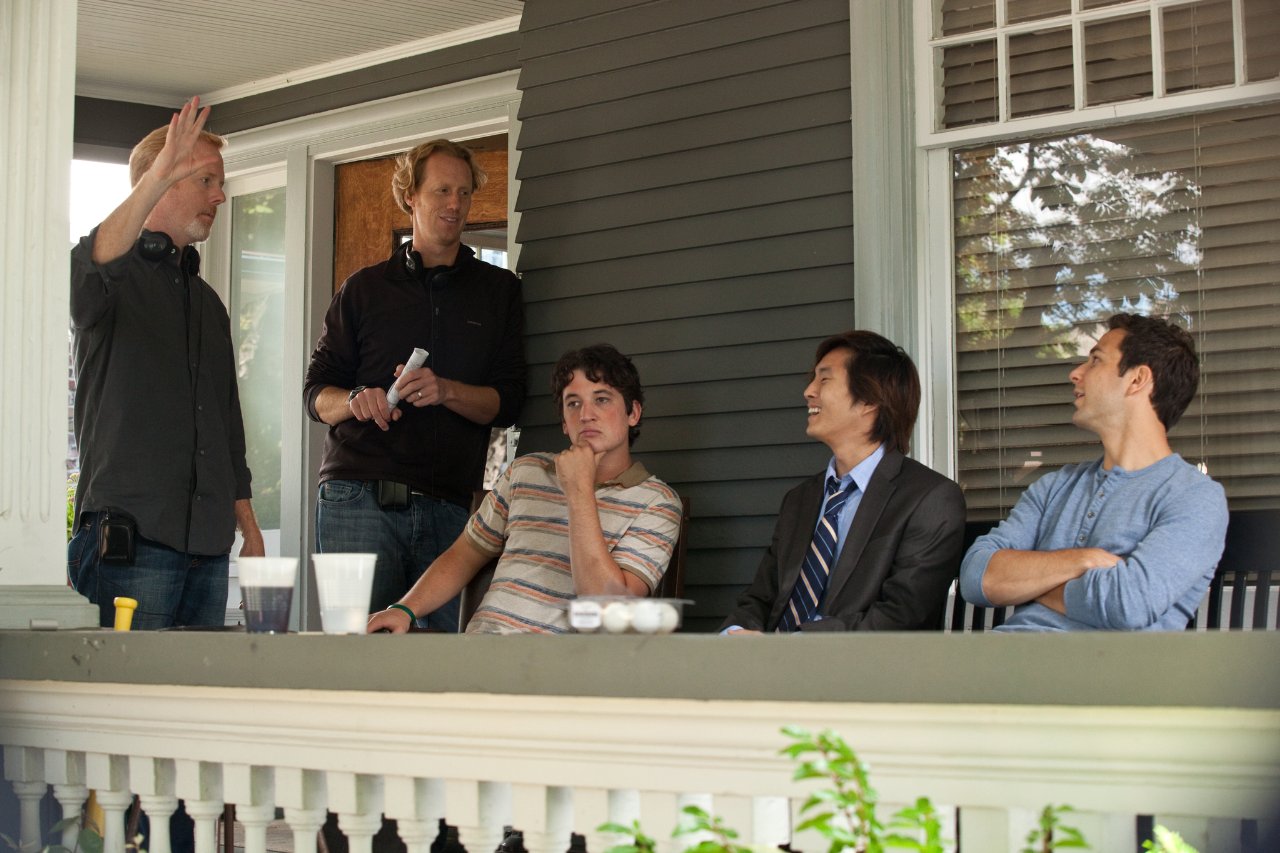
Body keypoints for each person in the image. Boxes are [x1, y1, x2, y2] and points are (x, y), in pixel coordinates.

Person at [303, 139, 526, 632]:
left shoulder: (499, 292)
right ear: (411, 196)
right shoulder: (363, 289)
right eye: (442, 190)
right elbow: (316, 394)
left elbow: (509, 402)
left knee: (443, 664)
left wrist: (447, 391)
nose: (455, 204)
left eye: (464, 193)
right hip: (355, 498)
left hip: (451, 508)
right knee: (356, 654)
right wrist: (356, 401)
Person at [68, 96, 264, 630]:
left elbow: (227, 428)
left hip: (208, 549)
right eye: (205, 180)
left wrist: (249, 528)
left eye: (219, 182)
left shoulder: (208, 305)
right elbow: (86, 271)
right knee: (120, 685)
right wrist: (154, 177)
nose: (220, 195)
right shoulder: (111, 280)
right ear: (160, 181)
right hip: (131, 543)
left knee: (198, 686)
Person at [366, 344, 683, 635]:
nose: (586, 414)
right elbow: (464, 554)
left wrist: (579, 491)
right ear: (564, 423)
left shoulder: (657, 503)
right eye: (573, 403)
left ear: (633, 413)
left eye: (602, 399)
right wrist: (403, 609)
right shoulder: (527, 471)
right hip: (479, 651)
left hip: (558, 669)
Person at [959, 313, 1228, 632]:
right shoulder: (1054, 487)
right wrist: (1083, 559)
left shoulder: (1195, 497)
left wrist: (1030, 583)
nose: (1075, 374)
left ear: (1137, 380)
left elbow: (1127, 603)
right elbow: (976, 576)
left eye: (1095, 360)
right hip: (1002, 655)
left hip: (1100, 664)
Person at [721, 331, 965, 634]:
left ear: (869, 400)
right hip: (766, 657)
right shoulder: (800, 499)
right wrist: (735, 634)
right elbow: (759, 599)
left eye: (824, 379)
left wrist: (791, 645)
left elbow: (902, 615)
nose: (808, 391)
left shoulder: (930, 499)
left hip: (854, 662)